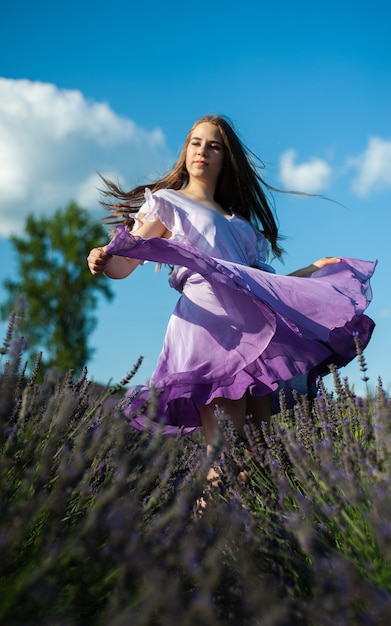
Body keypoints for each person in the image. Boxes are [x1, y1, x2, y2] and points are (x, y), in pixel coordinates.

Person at [87, 114, 376, 461]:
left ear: (226, 158)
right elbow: (126, 260)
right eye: (196, 142)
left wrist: (314, 269)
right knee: (226, 451)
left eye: (213, 146)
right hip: (210, 333)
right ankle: (203, 515)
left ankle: (226, 515)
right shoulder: (169, 203)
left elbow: (264, 285)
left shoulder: (240, 226)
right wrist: (103, 259)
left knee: (254, 457)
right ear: (185, 150)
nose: (202, 151)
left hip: (253, 339)